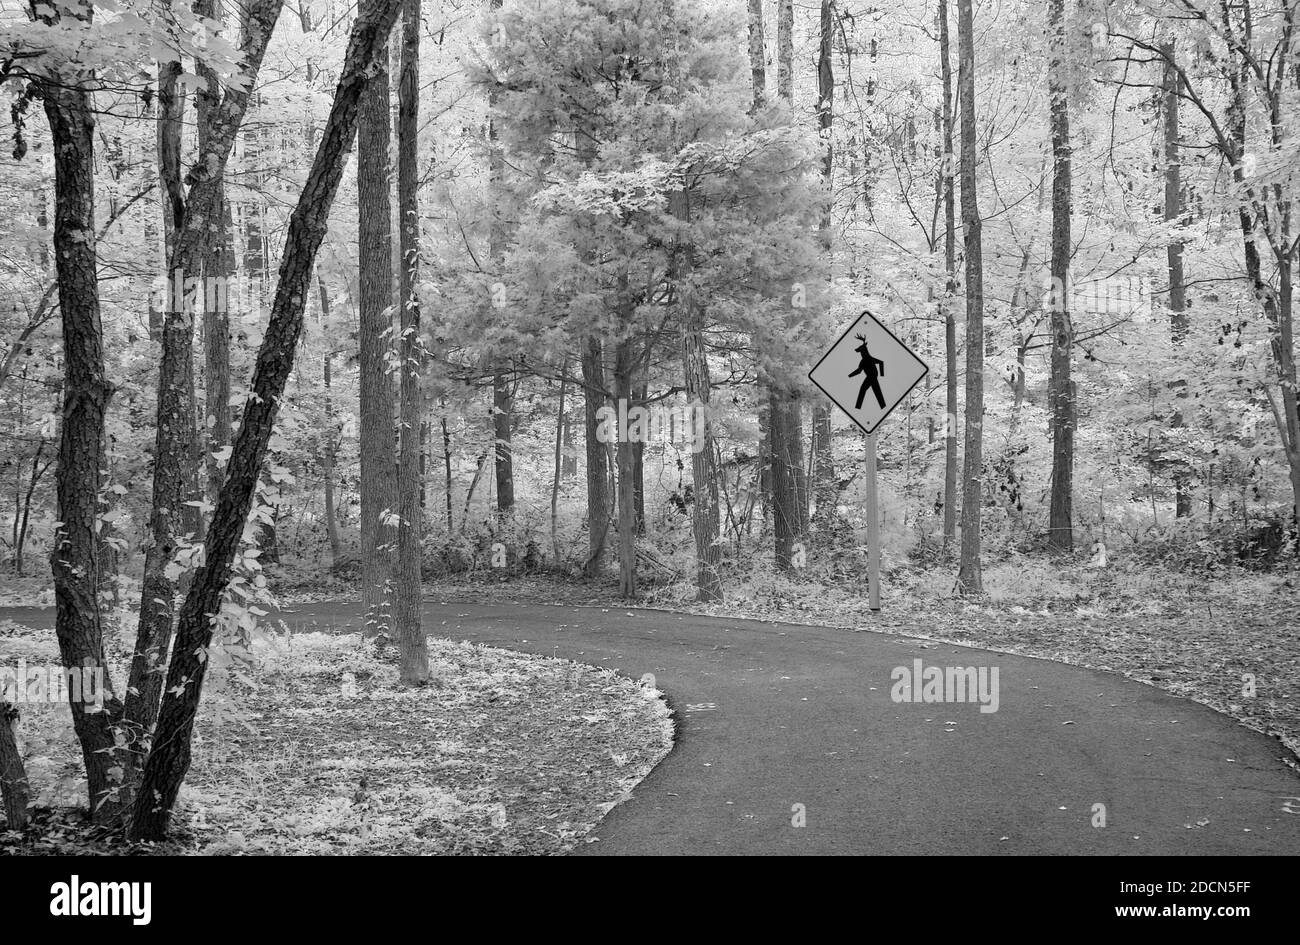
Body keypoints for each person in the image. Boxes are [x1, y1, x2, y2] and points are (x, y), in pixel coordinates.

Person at [849, 334, 886, 410]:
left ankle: (858, 407)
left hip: (871, 377)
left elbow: (881, 362)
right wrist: (850, 375)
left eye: (861, 351)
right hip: (872, 377)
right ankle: (882, 406)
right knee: (876, 391)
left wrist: (882, 375)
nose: (861, 353)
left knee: (866, 389)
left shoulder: (866, 360)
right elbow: (859, 371)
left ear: (864, 351)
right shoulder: (866, 360)